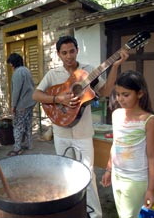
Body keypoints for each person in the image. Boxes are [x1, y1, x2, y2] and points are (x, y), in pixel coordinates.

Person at [32, 35, 129, 218]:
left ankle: (95, 214)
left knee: (88, 173)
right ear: (59, 54)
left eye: (72, 51)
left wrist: (115, 66)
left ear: (77, 50)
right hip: (61, 132)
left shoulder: (89, 71)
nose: (69, 56)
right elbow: (36, 95)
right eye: (64, 53)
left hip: (84, 132)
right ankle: (69, 210)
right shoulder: (53, 75)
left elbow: (106, 92)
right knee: (63, 172)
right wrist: (58, 99)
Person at [101, 70, 154, 218]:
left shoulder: (149, 120)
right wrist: (109, 170)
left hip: (135, 180)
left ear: (140, 94)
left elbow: (153, 157)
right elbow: (115, 145)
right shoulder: (117, 115)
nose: (120, 99)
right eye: (118, 94)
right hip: (117, 175)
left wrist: (151, 190)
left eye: (126, 94)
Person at [6, 53, 36, 156]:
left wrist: (13, 106)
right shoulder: (26, 70)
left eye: (10, 63)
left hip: (22, 104)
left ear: (13, 63)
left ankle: (17, 148)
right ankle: (29, 144)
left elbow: (16, 91)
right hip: (30, 102)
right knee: (28, 124)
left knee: (18, 125)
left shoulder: (17, 73)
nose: (10, 65)